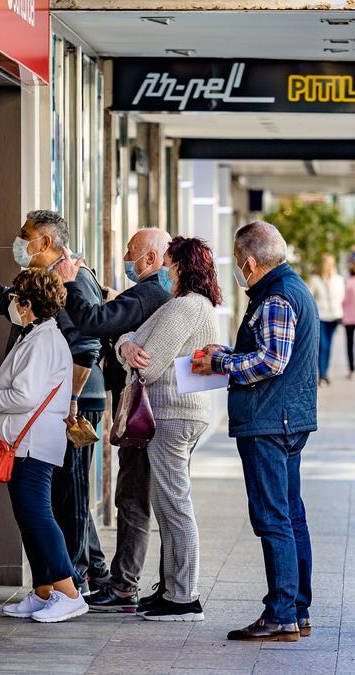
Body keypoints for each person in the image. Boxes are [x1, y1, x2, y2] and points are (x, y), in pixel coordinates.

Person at [0, 210, 106, 595]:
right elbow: (3, 300)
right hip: (49, 410)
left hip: (70, 406)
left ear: (45, 242)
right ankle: (56, 584)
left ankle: (75, 582)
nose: (19, 240)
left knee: (63, 498)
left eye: (26, 235)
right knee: (46, 503)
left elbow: (87, 349)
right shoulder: (37, 300)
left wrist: (70, 403)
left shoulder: (74, 280)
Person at [191, 222, 317, 643]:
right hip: (286, 418)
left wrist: (220, 365)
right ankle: (296, 610)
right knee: (290, 514)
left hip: (269, 422)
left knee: (273, 517)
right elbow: (270, 354)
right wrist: (227, 355)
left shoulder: (277, 296)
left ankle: (281, 612)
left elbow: (271, 362)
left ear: (247, 263)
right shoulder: (291, 289)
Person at [52, 228, 173, 613]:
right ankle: (131, 581)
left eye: (130, 251)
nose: (125, 257)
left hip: (143, 409)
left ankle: (124, 585)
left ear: (151, 259)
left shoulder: (151, 292)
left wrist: (72, 284)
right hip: (143, 406)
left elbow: (94, 322)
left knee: (133, 496)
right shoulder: (153, 293)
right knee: (136, 494)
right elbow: (118, 319)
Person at [0, 268, 89, 623]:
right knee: (28, 517)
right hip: (27, 444)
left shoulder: (42, 341)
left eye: (16, 300)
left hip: (32, 445)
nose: (12, 306)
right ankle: (43, 591)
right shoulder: (36, 335)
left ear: (27, 304)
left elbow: (23, 395)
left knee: (37, 516)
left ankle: (68, 592)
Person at [114, 237, 221, 622]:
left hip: (171, 416)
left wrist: (128, 347)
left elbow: (148, 364)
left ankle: (184, 597)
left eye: (169, 264)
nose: (165, 271)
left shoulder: (183, 307)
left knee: (174, 506)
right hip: (185, 413)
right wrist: (127, 345)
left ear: (180, 266)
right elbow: (131, 342)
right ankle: (175, 590)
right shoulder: (200, 306)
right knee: (170, 503)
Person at [307, 254, 345, 386]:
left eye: (332, 264)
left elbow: (341, 297)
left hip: (334, 316)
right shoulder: (315, 279)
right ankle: (322, 374)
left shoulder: (338, 280)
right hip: (321, 316)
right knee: (322, 345)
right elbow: (309, 298)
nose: (330, 267)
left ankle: (325, 372)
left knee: (328, 346)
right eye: (328, 264)